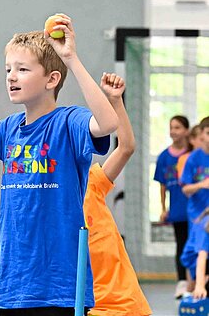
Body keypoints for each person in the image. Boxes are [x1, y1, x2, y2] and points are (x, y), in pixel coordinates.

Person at [0, 13, 118, 315]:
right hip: (14, 287)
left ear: (52, 79)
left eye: (22, 69)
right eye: (9, 69)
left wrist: (71, 58)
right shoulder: (7, 129)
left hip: (62, 289)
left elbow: (108, 122)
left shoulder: (68, 121)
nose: (11, 76)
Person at [83, 73, 152, 316]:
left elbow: (126, 147)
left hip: (129, 306)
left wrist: (115, 101)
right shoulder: (44, 206)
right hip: (90, 309)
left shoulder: (91, 183)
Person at [154, 114, 190, 298]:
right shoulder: (163, 158)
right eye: (171, 127)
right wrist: (163, 208)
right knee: (181, 246)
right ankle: (182, 282)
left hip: (197, 210)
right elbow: (162, 186)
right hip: (177, 210)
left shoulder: (194, 155)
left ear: (187, 131)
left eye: (177, 127)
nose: (173, 131)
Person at [180, 116, 209, 223]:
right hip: (197, 215)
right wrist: (202, 184)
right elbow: (185, 189)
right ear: (201, 134)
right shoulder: (193, 158)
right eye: (208, 133)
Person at [181, 208, 209, 300]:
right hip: (194, 260)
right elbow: (201, 256)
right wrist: (200, 286)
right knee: (196, 289)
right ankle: (191, 291)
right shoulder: (206, 226)